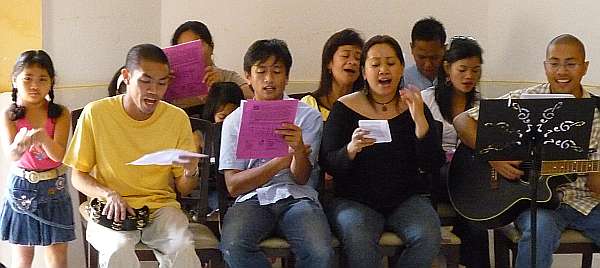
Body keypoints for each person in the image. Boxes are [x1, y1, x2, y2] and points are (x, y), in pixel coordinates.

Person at [454, 34, 600, 268]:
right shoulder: (524, 99)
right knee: (538, 232)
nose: (561, 71)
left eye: (571, 64)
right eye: (554, 63)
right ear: (545, 66)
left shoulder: (597, 113)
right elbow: (463, 121)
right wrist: (494, 156)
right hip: (534, 203)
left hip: (585, 202)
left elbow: (595, 184)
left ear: (585, 67)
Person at [63, 44, 203, 268]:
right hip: (112, 208)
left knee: (182, 247)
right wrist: (108, 194)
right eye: (145, 81)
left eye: (162, 83)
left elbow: (184, 188)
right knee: (117, 250)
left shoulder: (176, 119)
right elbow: (78, 176)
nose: (154, 91)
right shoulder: (96, 113)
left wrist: (190, 169)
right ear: (126, 77)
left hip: (161, 208)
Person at [320, 35, 445, 268]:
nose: (383, 70)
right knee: (359, 242)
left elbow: (432, 163)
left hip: (405, 198)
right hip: (354, 200)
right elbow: (328, 162)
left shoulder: (414, 105)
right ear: (364, 71)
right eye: (375, 64)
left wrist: (420, 121)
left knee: (428, 237)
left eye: (390, 63)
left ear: (400, 68)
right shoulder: (345, 107)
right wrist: (350, 149)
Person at [219, 39, 334, 268]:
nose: (269, 79)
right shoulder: (234, 121)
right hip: (252, 199)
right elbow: (233, 186)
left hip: (298, 198)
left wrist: (299, 152)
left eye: (277, 71)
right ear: (248, 76)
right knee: (233, 246)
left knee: (320, 252)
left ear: (287, 76)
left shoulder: (307, 116)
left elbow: (301, 178)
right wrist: (282, 161)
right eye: (261, 71)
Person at [0, 50, 75, 268]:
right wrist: (19, 146)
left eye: (42, 79)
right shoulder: (10, 114)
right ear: (15, 80)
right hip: (21, 187)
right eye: (28, 78)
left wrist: (42, 137)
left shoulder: (60, 112)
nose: (35, 85)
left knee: (57, 255)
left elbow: (60, 156)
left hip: (55, 186)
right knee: (22, 258)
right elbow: (11, 156)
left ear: (51, 82)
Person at [421, 36, 489, 267]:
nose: (469, 76)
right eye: (463, 69)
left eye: (475, 70)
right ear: (447, 68)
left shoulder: (481, 104)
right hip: (433, 174)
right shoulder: (426, 99)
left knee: (476, 219)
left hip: (469, 177)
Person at [170, 20, 253, 113]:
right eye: (183, 49)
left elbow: (251, 100)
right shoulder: (169, 82)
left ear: (211, 47)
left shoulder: (226, 77)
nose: (191, 53)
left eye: (197, 45)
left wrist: (222, 89)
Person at [301, 28, 364, 121]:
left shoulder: (366, 106)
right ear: (329, 63)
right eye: (345, 56)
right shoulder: (309, 104)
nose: (353, 62)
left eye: (358, 58)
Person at [403, 17, 446, 91]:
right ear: (412, 48)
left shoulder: (455, 79)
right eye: (421, 57)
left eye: (434, 57)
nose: (428, 64)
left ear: (444, 49)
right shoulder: (402, 81)